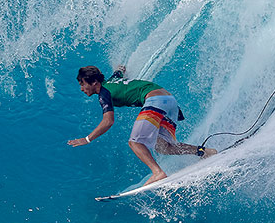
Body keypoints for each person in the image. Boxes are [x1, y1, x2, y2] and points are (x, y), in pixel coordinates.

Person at [68, 65, 216, 185]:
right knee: (163, 147)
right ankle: (204, 151)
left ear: (94, 82)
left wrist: (87, 139)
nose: (81, 88)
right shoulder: (113, 80)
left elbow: (108, 121)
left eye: (83, 84)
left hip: (155, 100)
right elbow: (119, 71)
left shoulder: (104, 93)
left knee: (135, 142)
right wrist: (120, 68)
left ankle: (158, 173)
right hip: (169, 101)